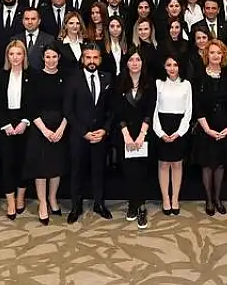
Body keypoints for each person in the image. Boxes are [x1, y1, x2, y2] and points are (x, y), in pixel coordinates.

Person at [64, 45, 112, 223]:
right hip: (79, 135)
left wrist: (105, 129)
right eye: (88, 57)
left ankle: (99, 204)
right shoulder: (72, 79)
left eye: (95, 57)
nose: (92, 61)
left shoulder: (107, 77)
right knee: (77, 171)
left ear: (100, 59)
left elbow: (112, 109)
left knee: (99, 171)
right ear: (82, 59)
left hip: (100, 135)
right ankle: (76, 206)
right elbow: (68, 111)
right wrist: (83, 132)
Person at [192, 39, 227, 216]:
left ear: (223, 55)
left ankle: (218, 198)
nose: (215, 56)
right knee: (207, 164)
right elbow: (197, 106)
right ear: (207, 54)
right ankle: (209, 200)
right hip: (206, 126)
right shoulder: (199, 77)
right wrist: (207, 130)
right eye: (212, 52)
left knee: (220, 164)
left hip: (225, 126)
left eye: (219, 53)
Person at [25, 46, 68, 225]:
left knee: (56, 165)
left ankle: (52, 198)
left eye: (54, 56)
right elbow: (30, 106)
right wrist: (44, 130)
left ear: (59, 57)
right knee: (41, 167)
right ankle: (42, 202)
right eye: (47, 57)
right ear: (43, 58)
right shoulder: (35, 77)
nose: (51, 60)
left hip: (60, 127)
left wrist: (62, 128)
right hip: (40, 127)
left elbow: (69, 105)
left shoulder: (66, 77)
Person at [114, 51, 156, 229]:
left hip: (143, 134)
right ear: (126, 63)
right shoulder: (118, 82)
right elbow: (117, 110)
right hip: (124, 134)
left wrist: (141, 135)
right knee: (129, 171)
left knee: (142, 171)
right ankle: (133, 203)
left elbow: (150, 110)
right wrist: (126, 135)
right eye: (131, 60)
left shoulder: (150, 83)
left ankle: (141, 206)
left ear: (142, 62)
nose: (135, 63)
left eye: (138, 59)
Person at [0, 40, 33, 219]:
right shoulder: (0, 76)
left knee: (23, 163)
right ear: (7, 56)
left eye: (19, 54)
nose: (15, 57)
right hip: (5, 123)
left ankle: (20, 198)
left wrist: (25, 122)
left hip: (25, 122)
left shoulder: (31, 75)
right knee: (8, 164)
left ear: (24, 56)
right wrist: (6, 124)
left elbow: (33, 101)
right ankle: (10, 201)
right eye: (12, 54)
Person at [153, 55, 194, 216]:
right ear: (164, 67)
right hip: (162, 126)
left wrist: (179, 132)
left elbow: (189, 111)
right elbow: (153, 110)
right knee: (163, 164)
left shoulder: (186, 84)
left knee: (177, 164)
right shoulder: (158, 83)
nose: (172, 68)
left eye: (175, 65)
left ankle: (175, 198)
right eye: (168, 65)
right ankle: (166, 198)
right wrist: (160, 132)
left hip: (180, 127)